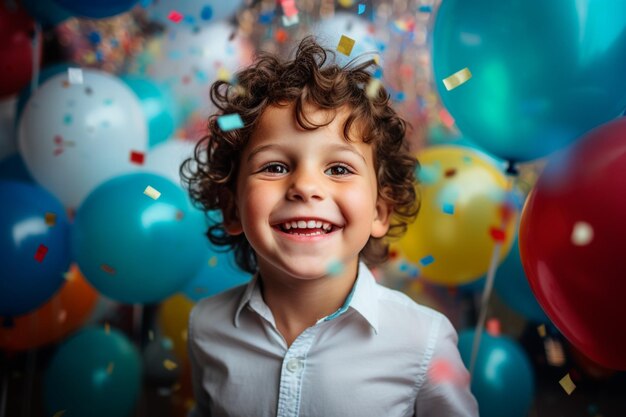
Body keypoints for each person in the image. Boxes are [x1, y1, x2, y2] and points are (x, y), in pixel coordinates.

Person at [181, 36, 479, 417]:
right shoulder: (206, 326)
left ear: (379, 212)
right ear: (232, 210)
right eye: (274, 167)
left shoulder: (423, 340)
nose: (305, 186)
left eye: (339, 169)